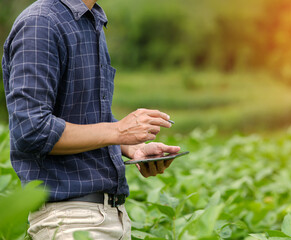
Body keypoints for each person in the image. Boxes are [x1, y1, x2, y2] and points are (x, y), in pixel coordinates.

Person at [2, 0, 181, 239]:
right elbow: (31, 130)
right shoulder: (41, 23)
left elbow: (84, 118)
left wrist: (131, 147)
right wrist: (119, 131)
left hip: (111, 216)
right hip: (70, 220)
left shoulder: (90, 19)